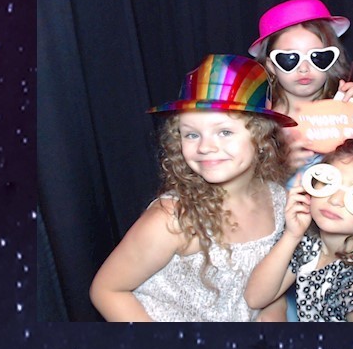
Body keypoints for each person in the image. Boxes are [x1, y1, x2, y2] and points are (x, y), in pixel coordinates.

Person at [90, 54, 293, 323]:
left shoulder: (279, 202)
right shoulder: (174, 218)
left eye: (224, 132)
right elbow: (107, 290)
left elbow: (271, 291)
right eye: (192, 134)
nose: (205, 147)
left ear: (262, 138)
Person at [245, 140, 353, 322]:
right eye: (328, 182)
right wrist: (292, 235)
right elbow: (255, 298)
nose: (335, 200)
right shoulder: (310, 245)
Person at [249, 0, 353, 175]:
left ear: (332, 60)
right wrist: (280, 168)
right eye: (290, 58)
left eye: (318, 57)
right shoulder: (255, 123)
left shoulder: (344, 111)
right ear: (271, 66)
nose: (304, 68)